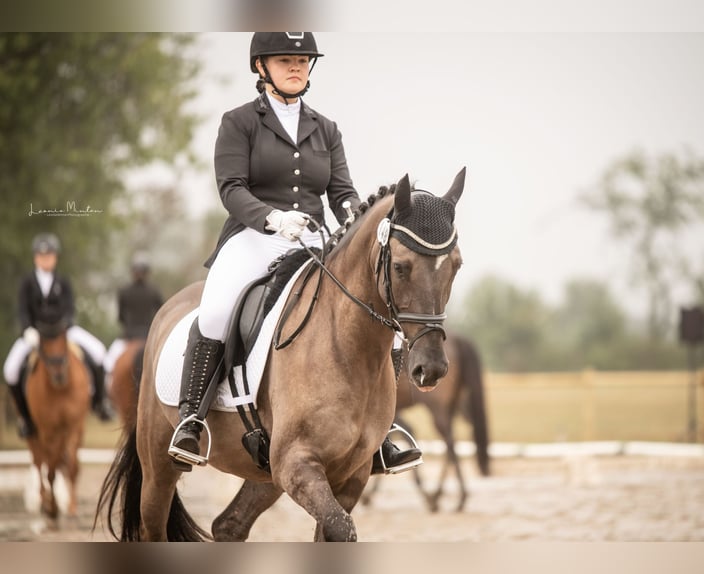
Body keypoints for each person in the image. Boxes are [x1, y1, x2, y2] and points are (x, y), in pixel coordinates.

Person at [168, 32, 422, 475]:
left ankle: (380, 433)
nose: (296, 67)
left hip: (313, 240)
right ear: (261, 67)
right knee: (215, 310)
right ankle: (192, 417)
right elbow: (231, 188)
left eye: (303, 60)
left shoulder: (326, 128)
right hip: (253, 236)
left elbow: (342, 192)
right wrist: (271, 218)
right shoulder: (239, 122)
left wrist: (354, 219)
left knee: (388, 317)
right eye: (285, 59)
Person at [3, 233, 113, 438]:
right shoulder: (27, 283)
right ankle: (25, 418)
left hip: (63, 331)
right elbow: (23, 310)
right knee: (10, 369)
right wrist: (27, 329)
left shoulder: (63, 281)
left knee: (98, 352)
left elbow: (70, 308)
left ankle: (100, 403)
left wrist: (65, 325)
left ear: (55, 258)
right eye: (42, 256)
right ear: (36, 257)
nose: (46, 259)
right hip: (35, 334)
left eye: (49, 255)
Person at [103, 252, 164, 381]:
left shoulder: (124, 291)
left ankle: (105, 396)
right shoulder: (154, 291)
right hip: (148, 338)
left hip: (128, 338)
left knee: (108, 365)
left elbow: (120, 317)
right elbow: (161, 315)